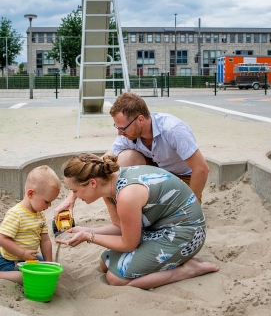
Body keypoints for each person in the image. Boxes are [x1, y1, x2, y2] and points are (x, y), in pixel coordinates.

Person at [56, 153, 218, 289]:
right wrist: (86, 230)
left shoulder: (127, 195)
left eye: (75, 191)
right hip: (157, 228)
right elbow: (119, 227)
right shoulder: (109, 187)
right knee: (105, 263)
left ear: (92, 183)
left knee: (115, 279)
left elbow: (129, 244)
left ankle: (187, 271)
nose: (75, 196)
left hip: (186, 232)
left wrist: (88, 237)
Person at [54, 93, 209, 218]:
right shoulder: (128, 135)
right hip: (159, 172)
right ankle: (128, 212)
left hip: (184, 177)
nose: (119, 133)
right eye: (117, 127)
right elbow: (99, 165)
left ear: (140, 119)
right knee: (124, 159)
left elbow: (201, 169)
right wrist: (71, 198)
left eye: (123, 128)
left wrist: (189, 204)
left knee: (176, 215)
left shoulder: (173, 129)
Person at [0, 166, 61, 284]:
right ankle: (2, 275)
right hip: (10, 260)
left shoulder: (40, 215)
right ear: (31, 193)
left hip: (26, 258)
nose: (49, 205)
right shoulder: (16, 214)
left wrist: (49, 264)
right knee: (27, 278)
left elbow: (45, 240)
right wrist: (22, 254)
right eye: (47, 201)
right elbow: (3, 239)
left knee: (44, 266)